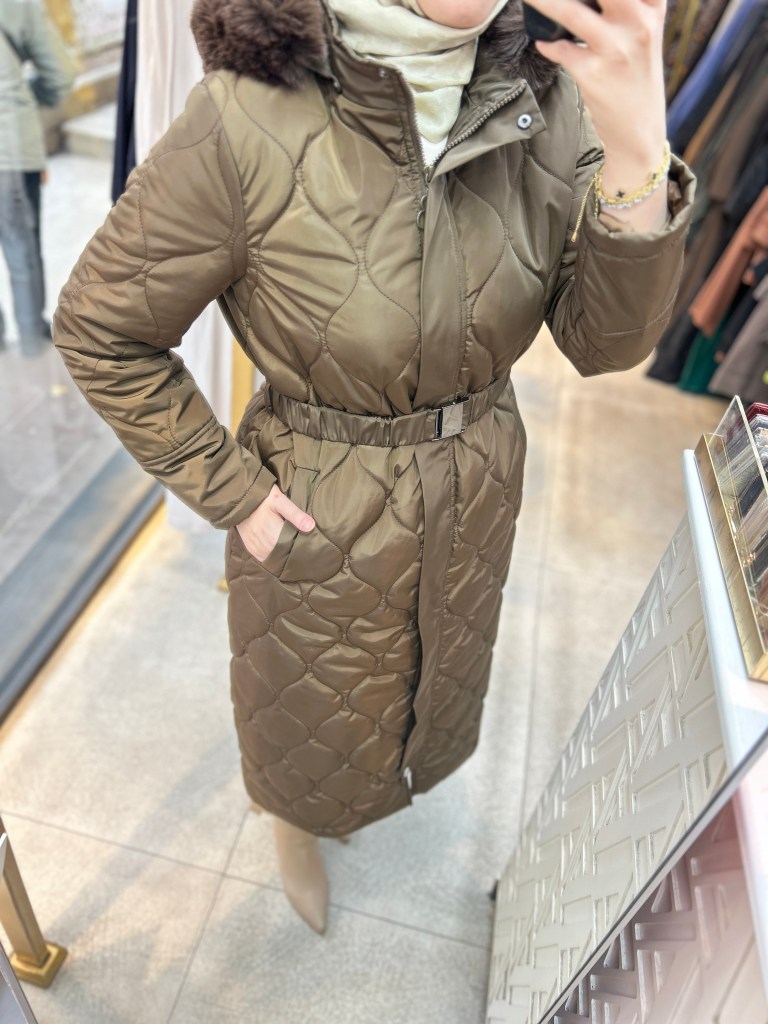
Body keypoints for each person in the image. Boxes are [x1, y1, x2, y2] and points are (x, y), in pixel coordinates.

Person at [52, 0, 695, 935]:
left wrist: (637, 155)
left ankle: (367, 786)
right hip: (322, 497)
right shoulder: (250, 112)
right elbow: (102, 329)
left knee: (423, 681)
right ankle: (295, 824)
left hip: (474, 484)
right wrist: (230, 488)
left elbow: (604, 344)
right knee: (307, 716)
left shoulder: (548, 92)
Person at [0, 0, 73, 353]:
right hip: (8, 144)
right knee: (21, 252)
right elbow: (60, 74)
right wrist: (27, 95)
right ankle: (32, 351)